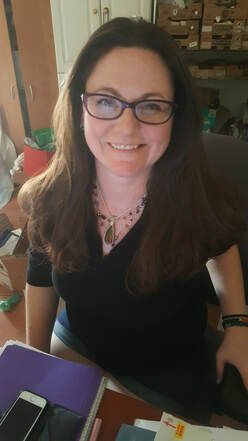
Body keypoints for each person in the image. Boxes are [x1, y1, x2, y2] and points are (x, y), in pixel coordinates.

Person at [19, 17, 247, 418]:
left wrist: (238, 324)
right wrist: (35, 365)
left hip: (168, 374)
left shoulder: (194, 196)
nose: (127, 127)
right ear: (79, 107)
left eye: (151, 105)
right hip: (77, 349)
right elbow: (40, 275)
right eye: (106, 101)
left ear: (175, 117)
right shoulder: (50, 196)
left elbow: (222, 246)